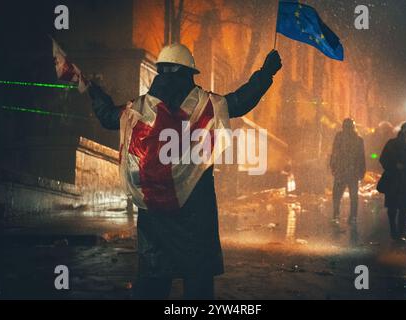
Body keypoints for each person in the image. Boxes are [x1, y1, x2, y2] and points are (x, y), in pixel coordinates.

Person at [86, 44, 282, 299]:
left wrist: (93, 90)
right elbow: (241, 100)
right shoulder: (206, 105)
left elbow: (108, 116)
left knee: (153, 281)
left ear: (159, 72)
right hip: (195, 214)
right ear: (187, 72)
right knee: (197, 281)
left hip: (153, 215)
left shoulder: (138, 109)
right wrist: (266, 72)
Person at [378, 122, 406, 241]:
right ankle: (394, 229)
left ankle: (400, 231)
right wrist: (394, 166)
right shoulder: (393, 143)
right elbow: (383, 159)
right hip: (394, 180)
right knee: (393, 207)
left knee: (404, 207)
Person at [330, 118, 366, 225]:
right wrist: (362, 171)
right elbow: (361, 157)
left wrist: (333, 165)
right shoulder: (357, 139)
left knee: (338, 194)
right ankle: (352, 216)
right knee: (352, 195)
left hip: (344, 171)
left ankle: (338, 213)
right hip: (350, 171)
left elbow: (335, 152)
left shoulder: (340, 137)